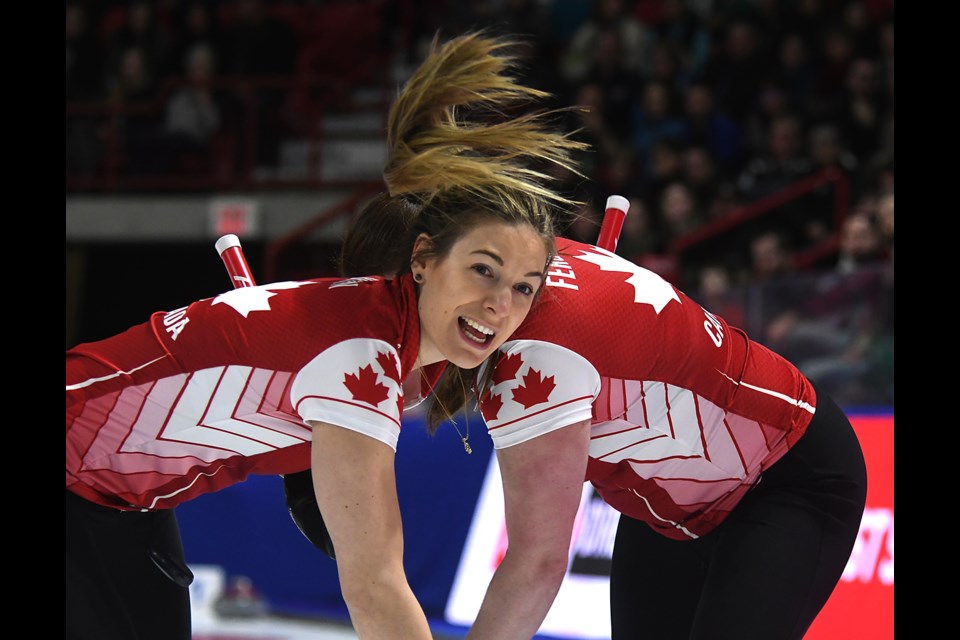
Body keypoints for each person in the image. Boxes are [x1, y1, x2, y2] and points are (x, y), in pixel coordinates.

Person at [65, 31, 586, 640]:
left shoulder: (398, 348)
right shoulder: (359, 361)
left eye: (525, 286)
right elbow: (374, 586)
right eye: (482, 271)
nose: (499, 304)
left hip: (125, 501)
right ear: (422, 262)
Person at [327, 203, 867, 638]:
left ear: (425, 266)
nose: (391, 348)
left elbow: (537, 564)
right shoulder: (516, 256)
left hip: (785, 476)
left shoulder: (532, 363)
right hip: (671, 502)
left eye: (390, 324)